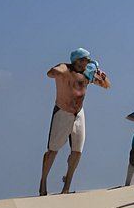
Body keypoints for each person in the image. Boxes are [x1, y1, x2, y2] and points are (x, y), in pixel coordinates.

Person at [39, 48, 110, 196]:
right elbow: (50, 73)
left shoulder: (87, 73)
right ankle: (43, 183)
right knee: (53, 150)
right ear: (78, 60)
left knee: (77, 151)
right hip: (63, 112)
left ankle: (67, 187)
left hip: (79, 113)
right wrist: (57, 70)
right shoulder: (65, 68)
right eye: (85, 60)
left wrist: (101, 76)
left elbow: (107, 85)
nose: (87, 62)